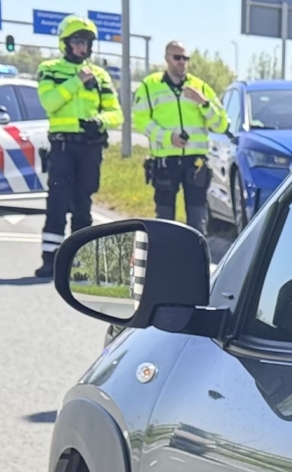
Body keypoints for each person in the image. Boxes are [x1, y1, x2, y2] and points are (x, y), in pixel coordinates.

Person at [36, 15, 121, 278]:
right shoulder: (50, 69)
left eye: (86, 42)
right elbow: (49, 103)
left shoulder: (101, 75)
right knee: (58, 202)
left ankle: (81, 263)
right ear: (66, 43)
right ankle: (50, 259)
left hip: (90, 147)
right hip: (62, 147)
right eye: (77, 41)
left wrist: (99, 121)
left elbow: (116, 113)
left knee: (83, 203)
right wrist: (76, 81)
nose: (82, 46)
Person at [132, 41, 225, 226]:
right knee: (165, 221)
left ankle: (195, 255)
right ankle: (166, 255)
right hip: (166, 161)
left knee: (197, 221)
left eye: (185, 58)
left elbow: (221, 125)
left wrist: (203, 103)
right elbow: (141, 121)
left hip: (195, 163)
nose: (182, 62)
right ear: (167, 59)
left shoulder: (200, 87)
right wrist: (168, 137)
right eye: (177, 57)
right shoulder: (150, 86)